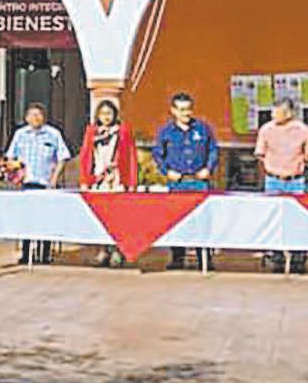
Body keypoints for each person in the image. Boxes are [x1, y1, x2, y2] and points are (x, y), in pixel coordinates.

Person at [151, 93, 217, 270]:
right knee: (177, 221)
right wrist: (166, 171)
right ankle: (177, 258)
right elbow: (157, 154)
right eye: (181, 110)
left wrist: (208, 168)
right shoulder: (166, 132)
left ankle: (204, 258)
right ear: (173, 111)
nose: (185, 113)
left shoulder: (202, 129)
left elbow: (212, 150)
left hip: (199, 182)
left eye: (187, 109)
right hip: (177, 183)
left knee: (202, 221)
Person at [6, 103, 72, 264]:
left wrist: (54, 178)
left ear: (44, 117)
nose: (35, 118)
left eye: (38, 115)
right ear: (26, 118)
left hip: (46, 183)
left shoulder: (53, 134)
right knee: (27, 219)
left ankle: (45, 254)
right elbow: (11, 157)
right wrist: (15, 174)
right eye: (32, 115)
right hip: (27, 183)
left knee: (46, 220)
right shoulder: (20, 134)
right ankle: (26, 252)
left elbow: (62, 158)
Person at [78, 100, 138, 267]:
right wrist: (84, 180)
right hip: (98, 180)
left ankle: (117, 250)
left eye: (109, 113)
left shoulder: (122, 131)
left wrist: (132, 182)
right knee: (99, 216)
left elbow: (130, 155)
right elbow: (85, 156)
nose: (106, 117)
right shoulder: (92, 132)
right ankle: (102, 250)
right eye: (103, 114)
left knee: (118, 217)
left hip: (117, 179)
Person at [253, 98, 308, 195]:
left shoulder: (302, 129)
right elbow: (259, 153)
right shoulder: (266, 129)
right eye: (272, 112)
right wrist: (271, 165)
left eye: (277, 113)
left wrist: (297, 164)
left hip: (295, 181)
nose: (273, 115)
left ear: (288, 114)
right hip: (273, 180)